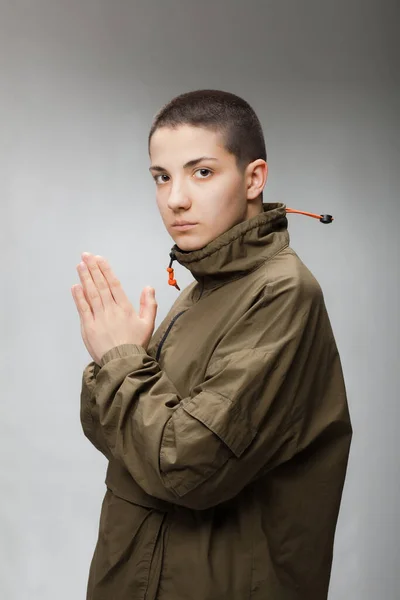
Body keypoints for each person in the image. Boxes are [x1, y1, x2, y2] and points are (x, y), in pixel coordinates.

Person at [73, 89, 353, 600]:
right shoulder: (203, 289)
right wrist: (118, 360)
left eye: (201, 172)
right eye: (162, 176)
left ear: (254, 178)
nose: (176, 197)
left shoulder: (282, 293)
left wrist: (119, 360)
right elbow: (115, 438)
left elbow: (188, 468)